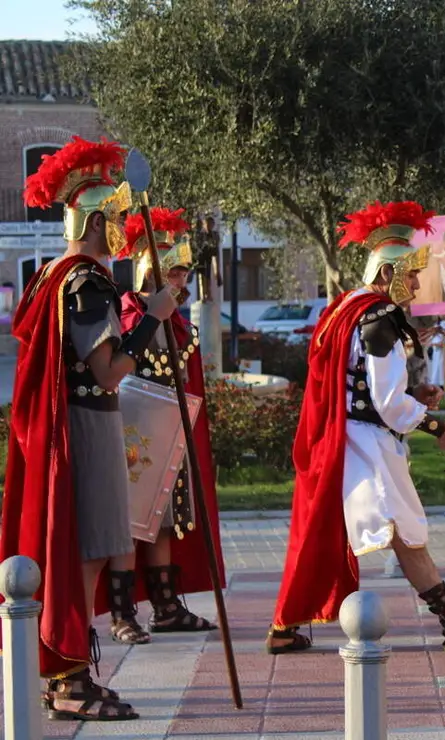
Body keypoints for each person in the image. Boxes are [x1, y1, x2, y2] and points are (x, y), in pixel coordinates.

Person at [267, 200, 445, 657]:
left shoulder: (348, 308)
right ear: (387, 272)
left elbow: (362, 388)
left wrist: (415, 398)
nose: (417, 283)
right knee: (405, 531)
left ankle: (285, 625)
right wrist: (441, 428)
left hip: (349, 438)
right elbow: (386, 404)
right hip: (367, 445)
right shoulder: (380, 319)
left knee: (335, 533)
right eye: (411, 274)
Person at [3, 136, 178, 721]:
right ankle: (70, 674)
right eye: (120, 218)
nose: (127, 229)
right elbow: (107, 373)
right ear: (98, 222)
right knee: (94, 548)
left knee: (95, 546)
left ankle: (66, 669)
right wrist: (151, 320)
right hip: (88, 422)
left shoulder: (54, 276)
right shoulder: (87, 282)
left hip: (74, 425)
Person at [108, 206, 225, 638]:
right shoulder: (124, 319)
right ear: (146, 273)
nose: (180, 282)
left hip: (167, 435)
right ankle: (122, 614)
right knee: (128, 524)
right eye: (172, 274)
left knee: (162, 521)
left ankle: (166, 607)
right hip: (130, 438)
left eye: (181, 274)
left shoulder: (178, 326)